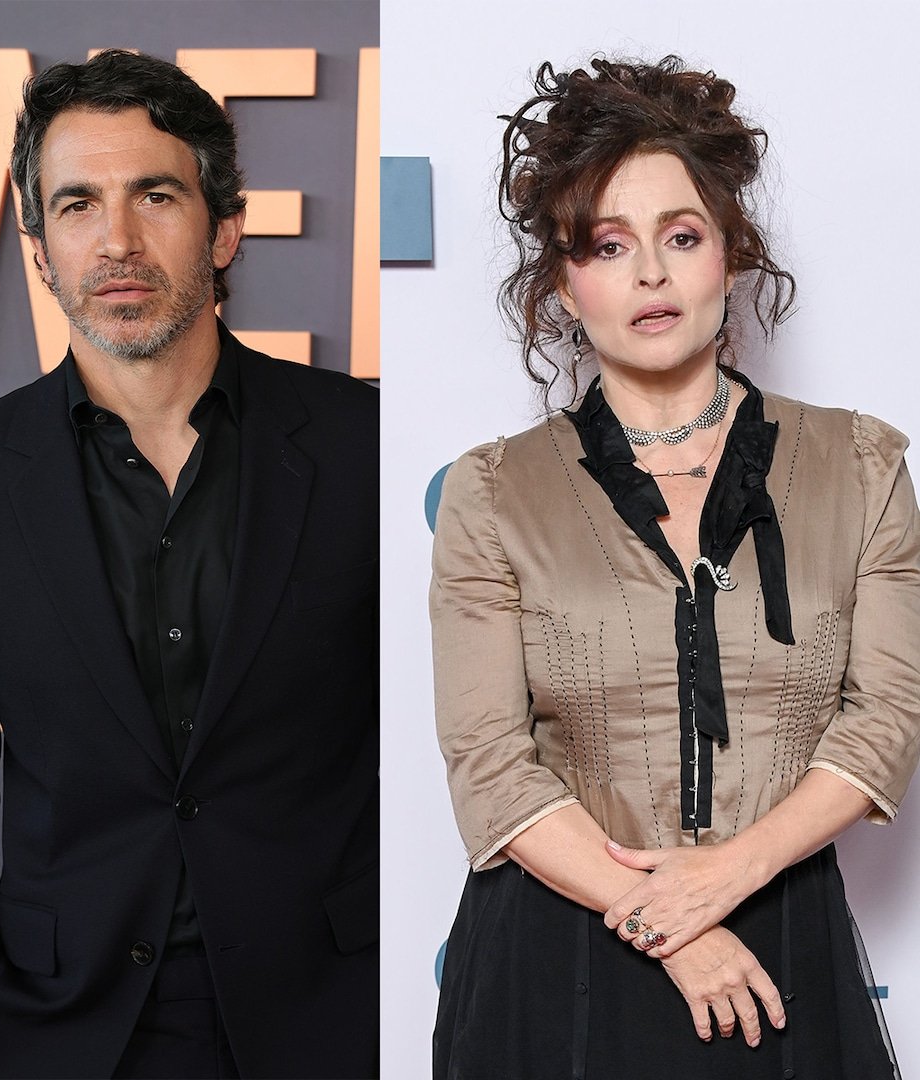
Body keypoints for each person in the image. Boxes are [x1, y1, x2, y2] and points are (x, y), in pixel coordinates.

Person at [0, 49, 377, 1080]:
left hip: (329, 1018)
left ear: (223, 227)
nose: (117, 241)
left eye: (155, 194)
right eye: (77, 205)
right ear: (37, 248)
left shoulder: (362, 445)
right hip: (63, 1028)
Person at [430, 56, 918, 1079]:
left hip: (779, 932)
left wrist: (727, 876)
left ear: (731, 259)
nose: (650, 274)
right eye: (609, 245)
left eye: (682, 236)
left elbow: (886, 720)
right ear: (564, 285)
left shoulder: (862, 465)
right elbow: (489, 762)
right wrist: (669, 922)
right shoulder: (495, 490)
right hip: (556, 948)